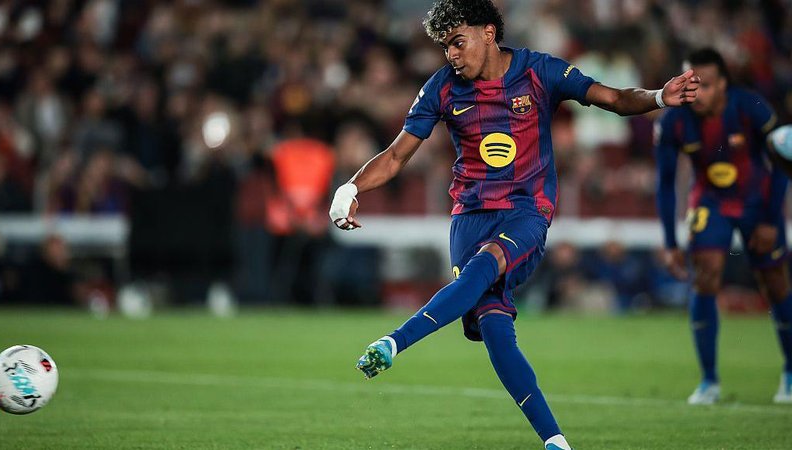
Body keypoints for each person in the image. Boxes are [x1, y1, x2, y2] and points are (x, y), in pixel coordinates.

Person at [329, 1, 699, 448]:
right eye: (445, 47)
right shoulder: (441, 89)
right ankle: (556, 442)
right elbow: (395, 156)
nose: (451, 54)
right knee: (494, 328)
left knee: (486, 266)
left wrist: (660, 97)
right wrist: (349, 189)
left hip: (526, 211)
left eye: (457, 42)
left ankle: (394, 343)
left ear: (488, 33)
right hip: (468, 217)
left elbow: (615, 99)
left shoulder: (539, 72)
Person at [655, 48, 792, 405]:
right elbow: (665, 183)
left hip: (756, 200)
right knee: (706, 274)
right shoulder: (673, 121)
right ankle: (709, 381)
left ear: (724, 86)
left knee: (775, 282)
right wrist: (670, 242)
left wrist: (770, 219)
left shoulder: (751, 108)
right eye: (690, 85)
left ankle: (791, 372)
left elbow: (781, 161)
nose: (696, 94)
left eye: (706, 86)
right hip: (710, 200)